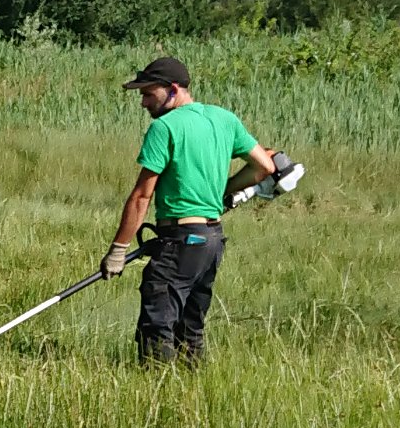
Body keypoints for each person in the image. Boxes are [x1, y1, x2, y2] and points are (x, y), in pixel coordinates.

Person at [99, 56, 278, 365]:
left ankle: (157, 393)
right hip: (211, 240)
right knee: (190, 326)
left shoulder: (165, 128)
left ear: (172, 89)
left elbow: (142, 196)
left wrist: (118, 249)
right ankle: (189, 390)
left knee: (157, 324)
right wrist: (226, 189)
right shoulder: (224, 119)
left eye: (147, 93)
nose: (143, 102)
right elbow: (265, 165)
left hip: (180, 241)